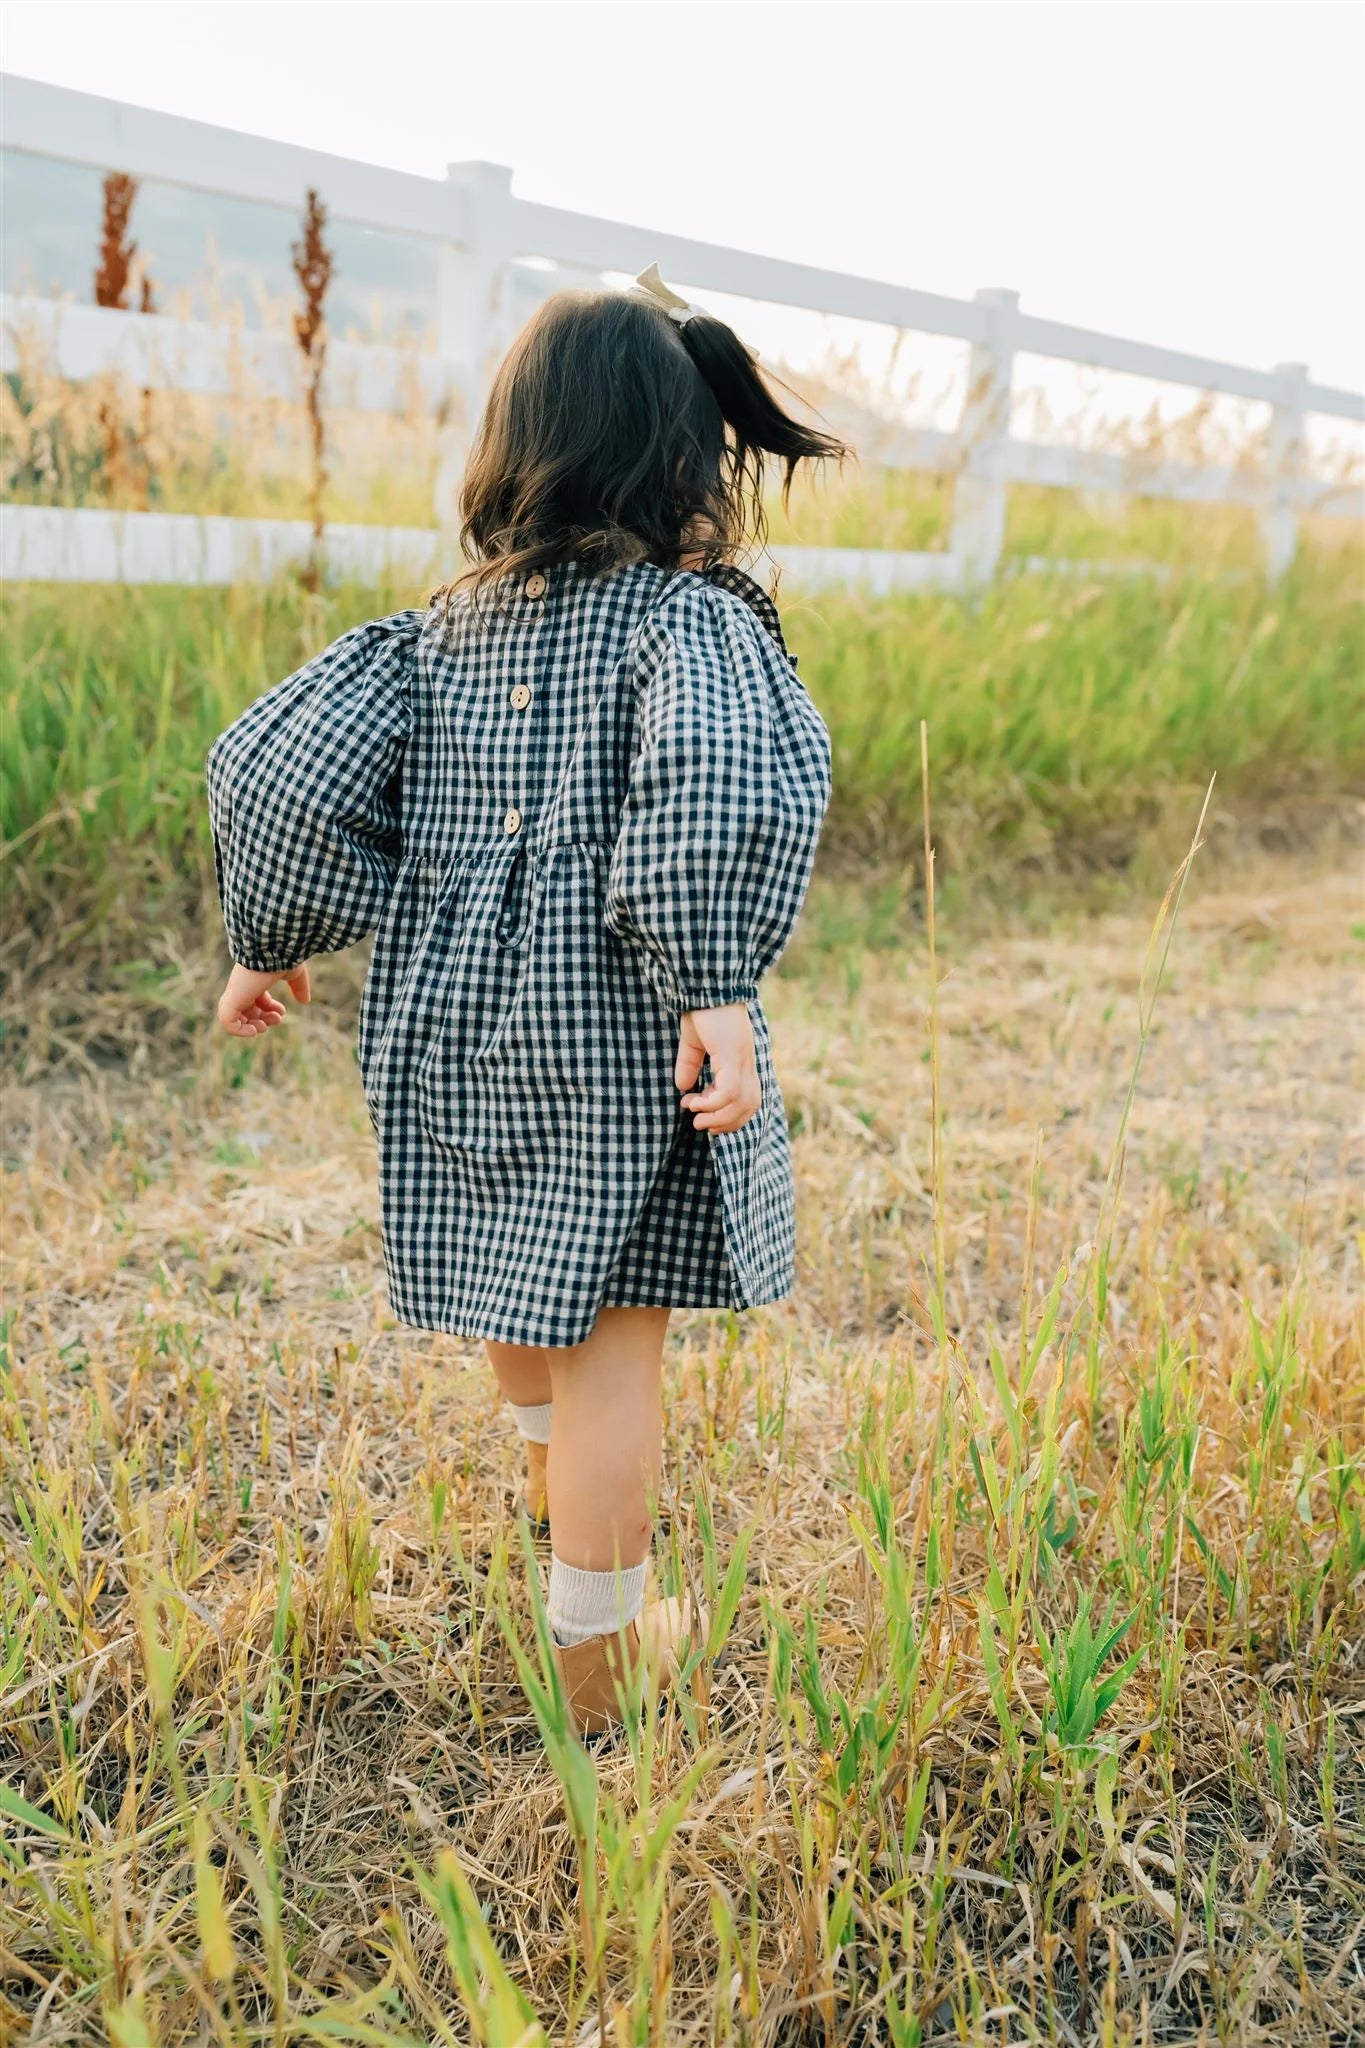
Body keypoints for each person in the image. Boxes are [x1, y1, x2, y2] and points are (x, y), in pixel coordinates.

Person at [206, 264, 844, 1737]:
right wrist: (716, 984)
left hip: (447, 1017)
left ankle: (553, 1502)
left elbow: (272, 766)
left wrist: (270, 931)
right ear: (686, 454)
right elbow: (714, 793)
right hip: (616, 1023)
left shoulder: (434, 631)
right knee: (617, 1337)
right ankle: (599, 1660)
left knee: (514, 1270)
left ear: (511, 444)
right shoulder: (683, 625)